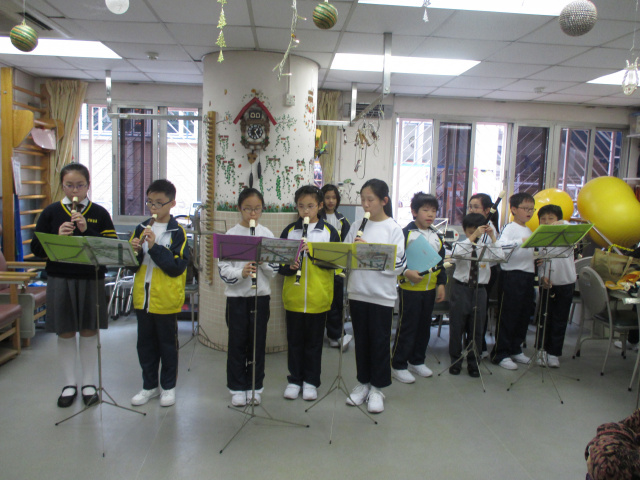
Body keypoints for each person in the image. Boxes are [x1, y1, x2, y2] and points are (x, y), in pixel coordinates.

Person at [31, 163, 118, 408]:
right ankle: (69, 384)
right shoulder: (50, 212)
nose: (74, 190)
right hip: (60, 278)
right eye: (69, 185)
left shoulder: (99, 212)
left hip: (91, 278)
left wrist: (86, 229)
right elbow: (36, 249)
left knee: (89, 329)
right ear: (62, 186)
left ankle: (89, 383)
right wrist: (57, 237)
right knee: (66, 330)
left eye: (80, 185)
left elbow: (110, 247)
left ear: (88, 185)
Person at [343, 179, 406, 413]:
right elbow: (344, 255)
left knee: (379, 342)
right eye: (363, 200)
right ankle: (363, 383)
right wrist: (352, 251)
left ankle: (378, 389)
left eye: (370, 200)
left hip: (381, 296)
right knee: (361, 342)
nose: (365, 204)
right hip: (357, 292)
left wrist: (368, 251)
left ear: (384, 201)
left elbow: (398, 265)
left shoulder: (393, 229)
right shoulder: (356, 225)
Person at [129, 179, 189, 407]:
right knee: (145, 344)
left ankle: (168, 387)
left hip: (165, 297)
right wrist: (134, 252)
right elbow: (132, 266)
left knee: (167, 346)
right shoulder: (140, 228)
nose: (153, 208)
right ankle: (149, 386)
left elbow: (176, 267)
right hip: (142, 297)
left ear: (172, 204)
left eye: (158, 203)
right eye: (149, 202)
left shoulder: (177, 232)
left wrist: (154, 247)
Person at [279, 185, 340, 401]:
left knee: (314, 344)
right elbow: (279, 265)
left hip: (318, 297)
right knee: (294, 342)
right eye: (301, 206)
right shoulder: (289, 231)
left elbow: (336, 265)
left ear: (320, 206)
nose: (305, 211)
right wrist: (289, 267)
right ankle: (294, 380)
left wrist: (312, 253)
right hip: (294, 297)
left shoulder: (329, 232)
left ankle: (311, 381)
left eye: (310, 206)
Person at [218, 188, 278, 407]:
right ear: (239, 209)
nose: (253, 214)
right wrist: (241, 273)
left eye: (257, 209)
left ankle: (255, 386)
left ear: (262, 209)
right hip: (237, 299)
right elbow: (223, 270)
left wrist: (263, 262)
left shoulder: (267, 234)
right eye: (248, 209)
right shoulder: (230, 236)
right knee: (237, 344)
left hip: (260, 298)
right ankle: (237, 388)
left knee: (257, 344)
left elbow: (274, 270)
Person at [392, 192, 446, 384]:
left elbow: (440, 263)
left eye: (433, 211)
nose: (430, 214)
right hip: (410, 289)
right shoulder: (406, 233)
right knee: (407, 326)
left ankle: (417, 360)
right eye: (425, 210)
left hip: (429, 289)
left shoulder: (437, 235)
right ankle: (398, 364)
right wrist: (406, 272)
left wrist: (441, 284)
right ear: (414, 212)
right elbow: (396, 259)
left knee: (424, 326)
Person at [448, 213, 501, 377]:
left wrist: (492, 237)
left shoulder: (486, 247)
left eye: (478, 232)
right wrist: (473, 237)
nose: (476, 235)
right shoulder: (461, 244)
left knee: (477, 327)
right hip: (461, 288)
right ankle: (455, 361)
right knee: (457, 326)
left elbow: (500, 257)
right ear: (465, 230)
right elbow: (456, 254)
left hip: (480, 290)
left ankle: (474, 362)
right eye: (471, 231)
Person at [491, 192, 536, 370]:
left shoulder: (529, 229)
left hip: (527, 275)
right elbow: (500, 246)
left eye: (532, 209)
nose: (529, 212)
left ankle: (515, 348)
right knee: (508, 315)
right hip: (512, 276)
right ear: (514, 209)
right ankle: (500, 353)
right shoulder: (510, 228)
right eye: (526, 208)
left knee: (524, 314)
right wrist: (520, 241)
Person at [534, 204, 577, 368]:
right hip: (548, 283)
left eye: (550, 218)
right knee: (544, 318)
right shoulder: (540, 237)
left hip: (566, 282)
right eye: (543, 219)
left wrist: (562, 224)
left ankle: (554, 353)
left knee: (560, 319)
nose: (546, 222)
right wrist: (542, 278)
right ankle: (541, 350)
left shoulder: (567, 233)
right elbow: (539, 261)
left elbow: (573, 230)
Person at [319, 184, 352, 351]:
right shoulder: (317, 218)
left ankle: (335, 335)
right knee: (323, 302)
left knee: (337, 303)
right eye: (327, 197)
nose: (331, 201)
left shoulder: (343, 220)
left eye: (334, 198)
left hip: (337, 270)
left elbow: (347, 245)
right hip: (320, 268)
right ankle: (332, 334)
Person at [468, 193, 501, 358]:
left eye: (476, 207)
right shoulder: (474, 225)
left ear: (488, 211)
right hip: (474, 272)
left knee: (480, 309)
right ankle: (472, 344)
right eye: (470, 207)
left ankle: (479, 346)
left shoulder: (489, 229)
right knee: (472, 309)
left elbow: (494, 254)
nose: (471, 210)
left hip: (486, 273)